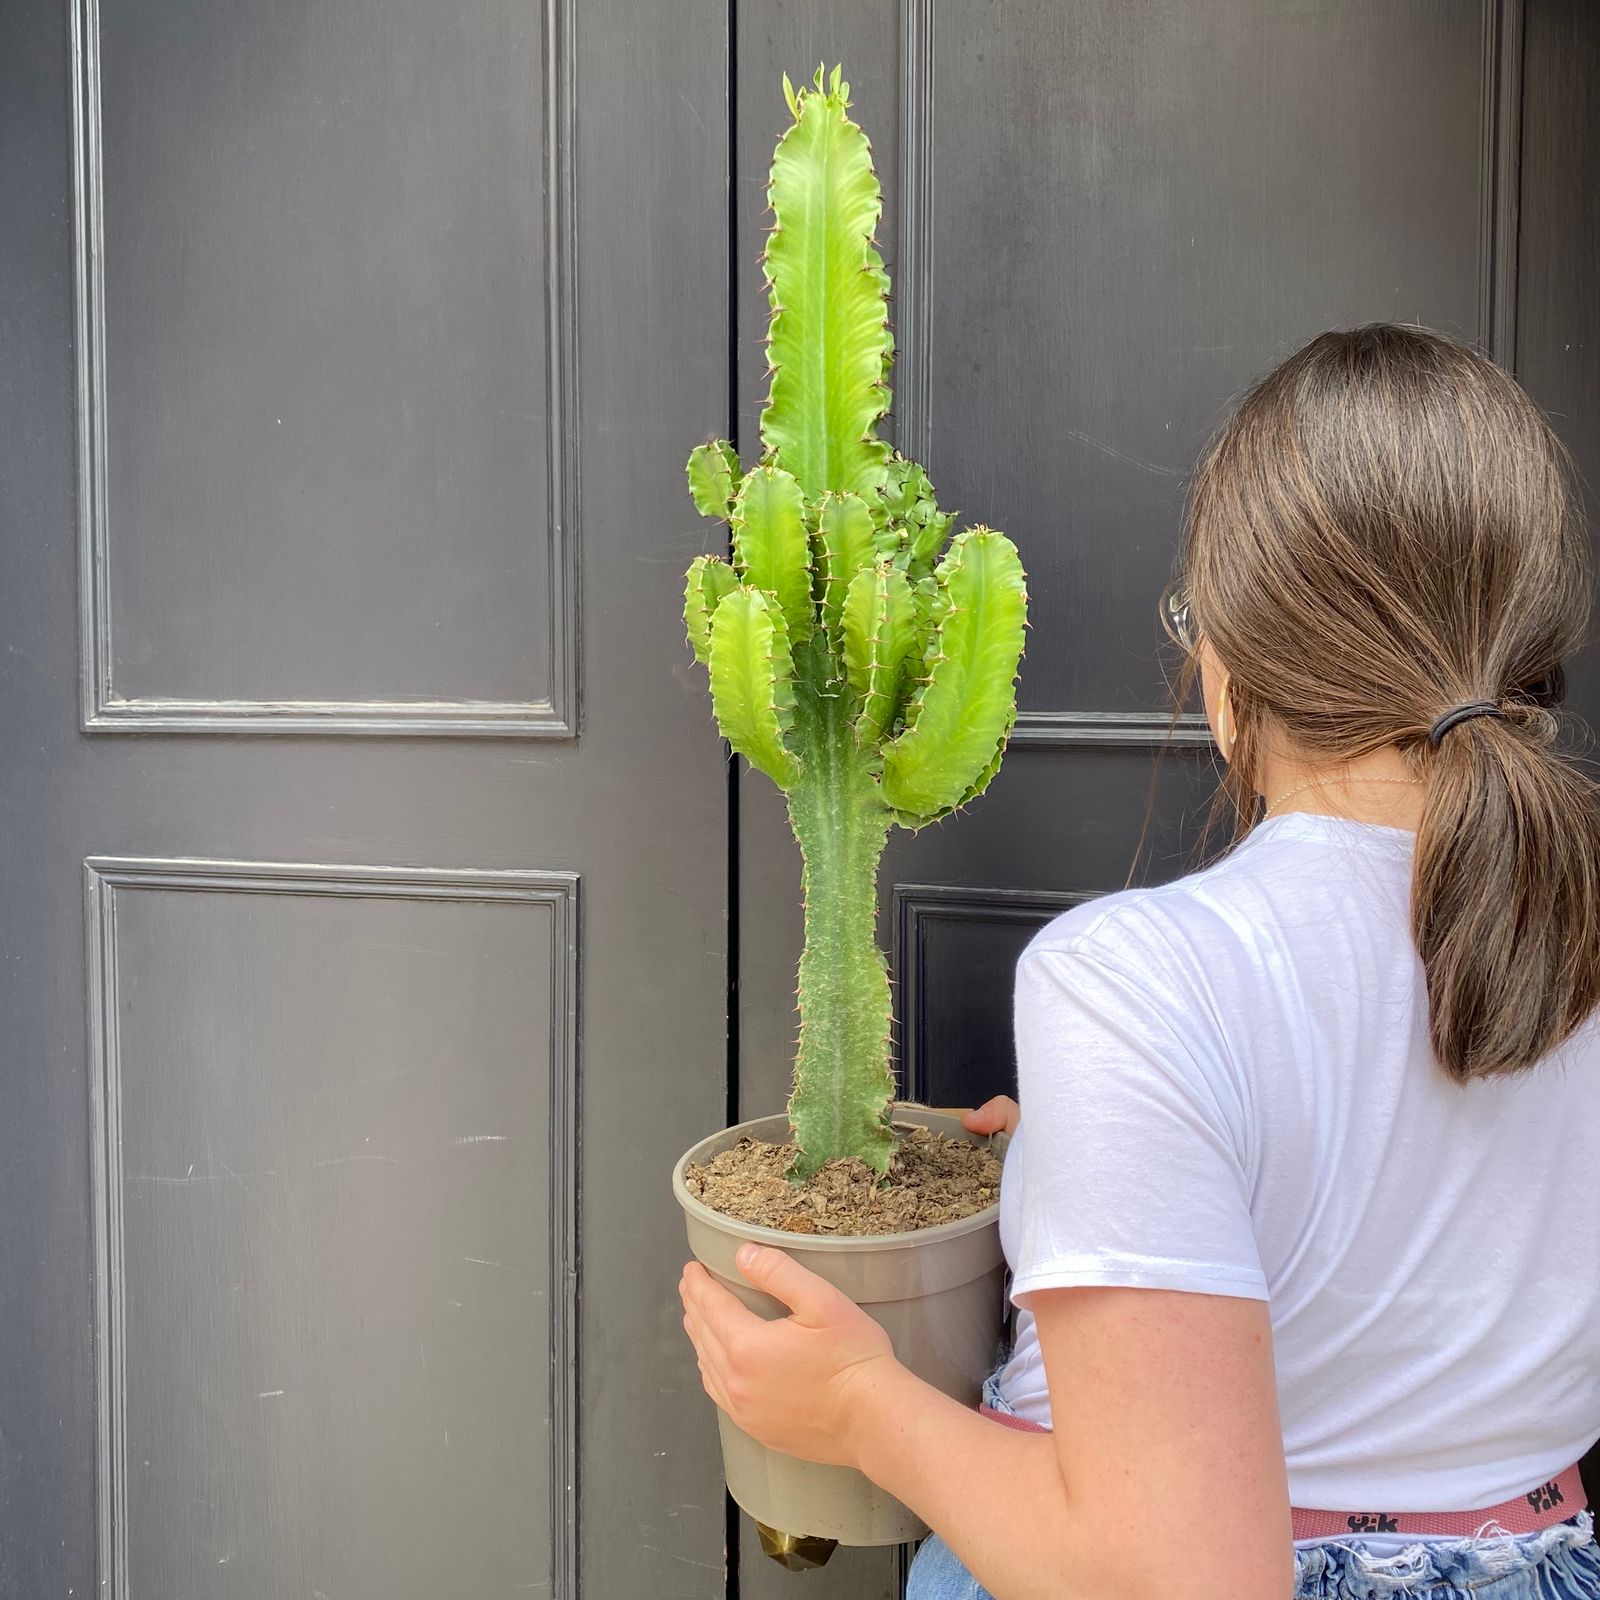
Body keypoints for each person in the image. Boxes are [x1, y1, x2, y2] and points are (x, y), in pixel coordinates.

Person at [679, 323, 1600, 1600]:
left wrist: (852, 1404)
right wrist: (1101, 1158)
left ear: (1225, 671)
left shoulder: (1141, 975)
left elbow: (1176, 1578)